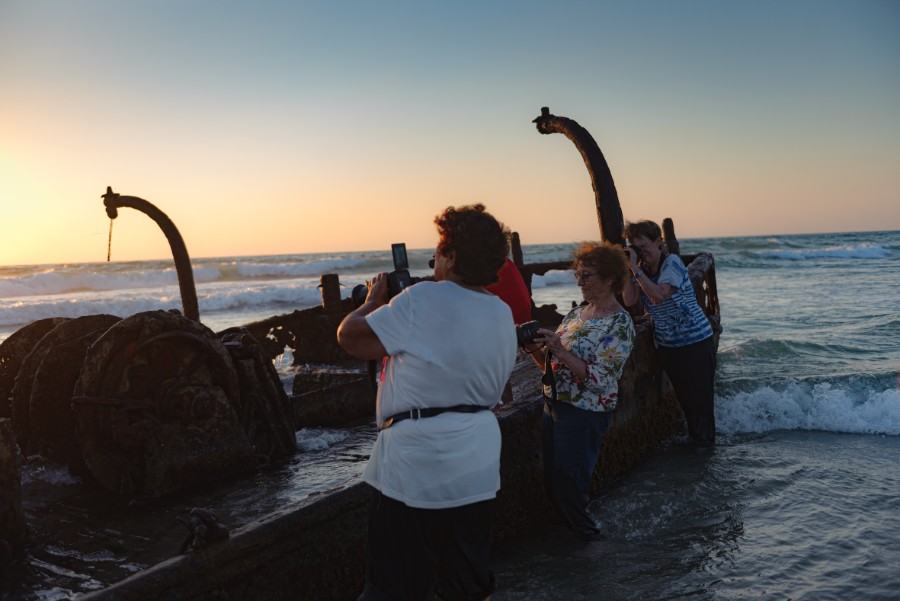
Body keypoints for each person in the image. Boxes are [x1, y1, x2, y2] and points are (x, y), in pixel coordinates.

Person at [337, 204, 517, 601]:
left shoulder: (421, 299)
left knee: (393, 586)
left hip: (417, 464)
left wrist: (372, 300)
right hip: (478, 460)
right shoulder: (501, 312)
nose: (435, 260)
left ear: (452, 256)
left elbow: (352, 338)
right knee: (464, 582)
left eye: (439, 251)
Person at [520, 242, 635, 541]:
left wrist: (559, 349)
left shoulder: (620, 323)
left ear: (609, 278)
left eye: (587, 276)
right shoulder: (575, 314)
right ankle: (575, 537)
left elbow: (600, 380)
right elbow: (552, 364)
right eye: (578, 275)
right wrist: (534, 349)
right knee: (554, 480)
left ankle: (591, 541)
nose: (580, 281)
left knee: (571, 482)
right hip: (555, 406)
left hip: (586, 412)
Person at [622, 219, 716, 445]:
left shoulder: (671, 262)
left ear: (658, 242)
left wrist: (635, 269)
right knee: (687, 401)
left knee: (700, 403)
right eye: (635, 248)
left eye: (643, 246)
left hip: (696, 343)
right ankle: (698, 446)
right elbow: (630, 299)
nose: (641, 252)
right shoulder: (641, 270)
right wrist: (627, 269)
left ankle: (705, 453)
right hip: (669, 347)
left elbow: (659, 295)